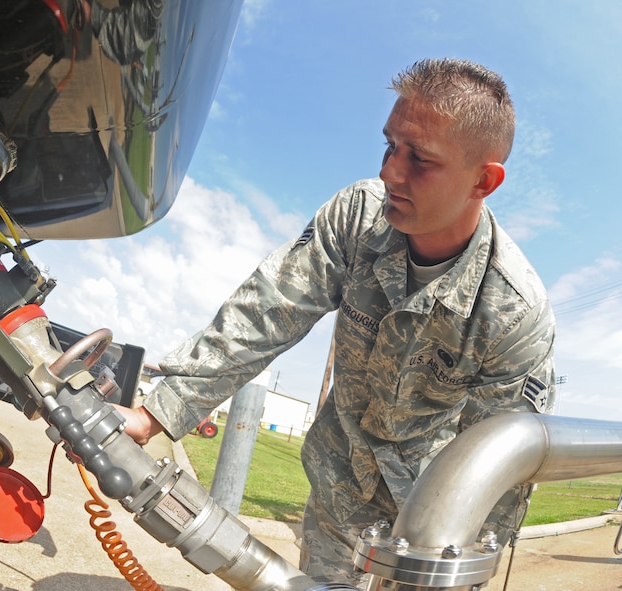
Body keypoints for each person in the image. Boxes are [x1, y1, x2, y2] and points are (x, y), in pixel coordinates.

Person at [117, 58, 556, 586]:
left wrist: (455, 569)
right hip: (338, 490)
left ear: (483, 180)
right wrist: (156, 413)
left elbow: (500, 467)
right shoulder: (359, 216)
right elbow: (266, 312)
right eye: (391, 145)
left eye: (420, 158)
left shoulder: (513, 311)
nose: (391, 171)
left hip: (431, 526)